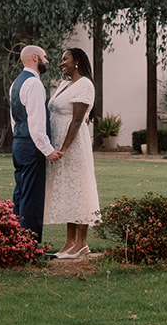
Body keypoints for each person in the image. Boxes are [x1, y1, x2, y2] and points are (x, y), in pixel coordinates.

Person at [45, 47, 101, 259]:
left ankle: (82, 243)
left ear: (76, 61)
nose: (61, 63)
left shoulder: (85, 84)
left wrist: (65, 148)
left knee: (79, 188)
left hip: (74, 146)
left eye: (65, 59)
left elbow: (77, 119)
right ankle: (69, 242)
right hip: (59, 145)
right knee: (68, 190)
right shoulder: (64, 84)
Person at [9, 44, 60, 242]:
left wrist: (19, 139)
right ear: (35, 57)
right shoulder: (35, 84)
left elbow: (14, 119)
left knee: (20, 193)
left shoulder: (16, 83)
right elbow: (36, 122)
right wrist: (48, 150)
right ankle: (30, 244)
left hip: (18, 144)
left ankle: (15, 240)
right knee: (33, 196)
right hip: (31, 146)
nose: (47, 61)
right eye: (45, 57)